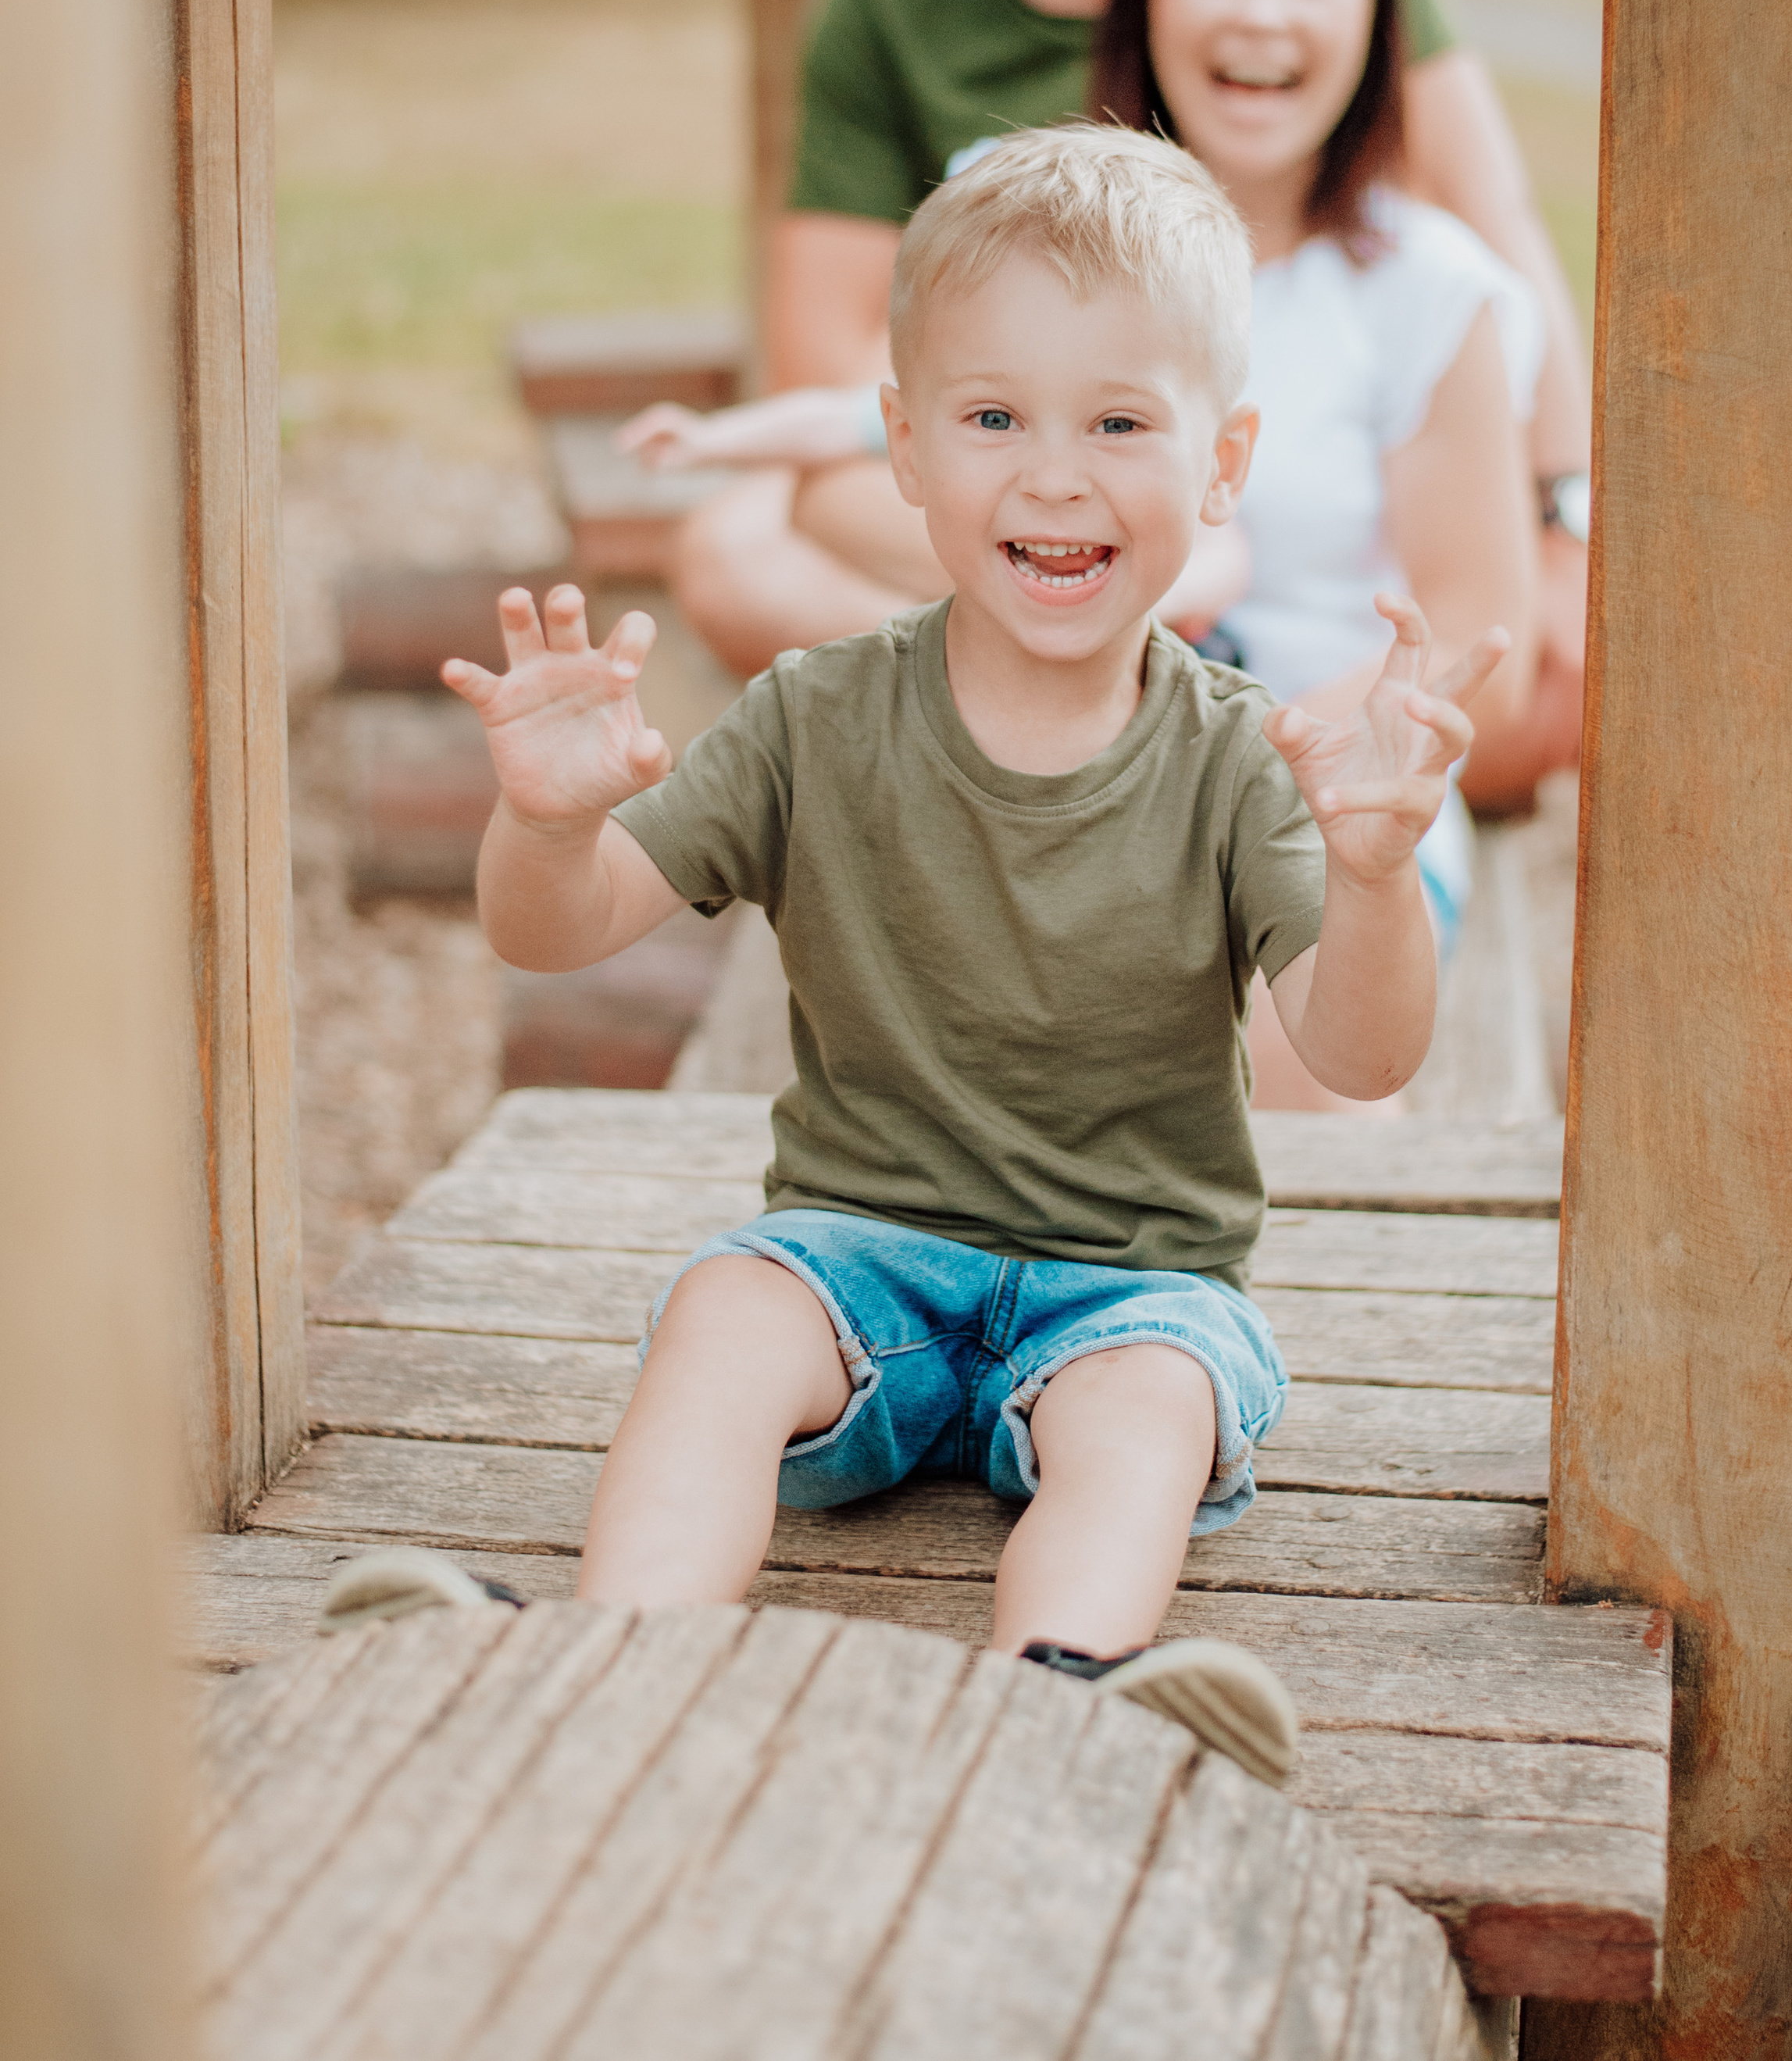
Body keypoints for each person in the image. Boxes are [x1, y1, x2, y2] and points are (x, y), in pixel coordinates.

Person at [441, 128, 1504, 1786]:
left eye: (1119, 423)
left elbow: (1363, 1057)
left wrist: (1371, 876)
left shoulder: (1237, 758)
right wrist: (548, 822)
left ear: (1221, 463)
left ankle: (1055, 1701)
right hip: (855, 1261)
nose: (1054, 477)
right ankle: (613, 1657)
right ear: (904, 447)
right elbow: (555, 929)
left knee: (1149, 1408)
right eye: (993, 417)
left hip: (1134, 1282)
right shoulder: (815, 714)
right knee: (723, 1308)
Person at [643, 0, 1587, 804]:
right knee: (744, 544)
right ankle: (1059, 734)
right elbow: (851, 371)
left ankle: (1119, 755)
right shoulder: (923, 44)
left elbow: (1490, 219)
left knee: (1511, 675)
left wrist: (1566, 512)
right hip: (1038, 455)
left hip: (1288, 607)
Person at [1089, 0, 1540, 1105]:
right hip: (1066, 775)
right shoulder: (1051, 257)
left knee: (1237, 1064)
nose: (1263, 16)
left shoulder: (1428, 289)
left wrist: (1245, 765)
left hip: (1329, 804)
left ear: (1376, 17)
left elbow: (1480, 647)